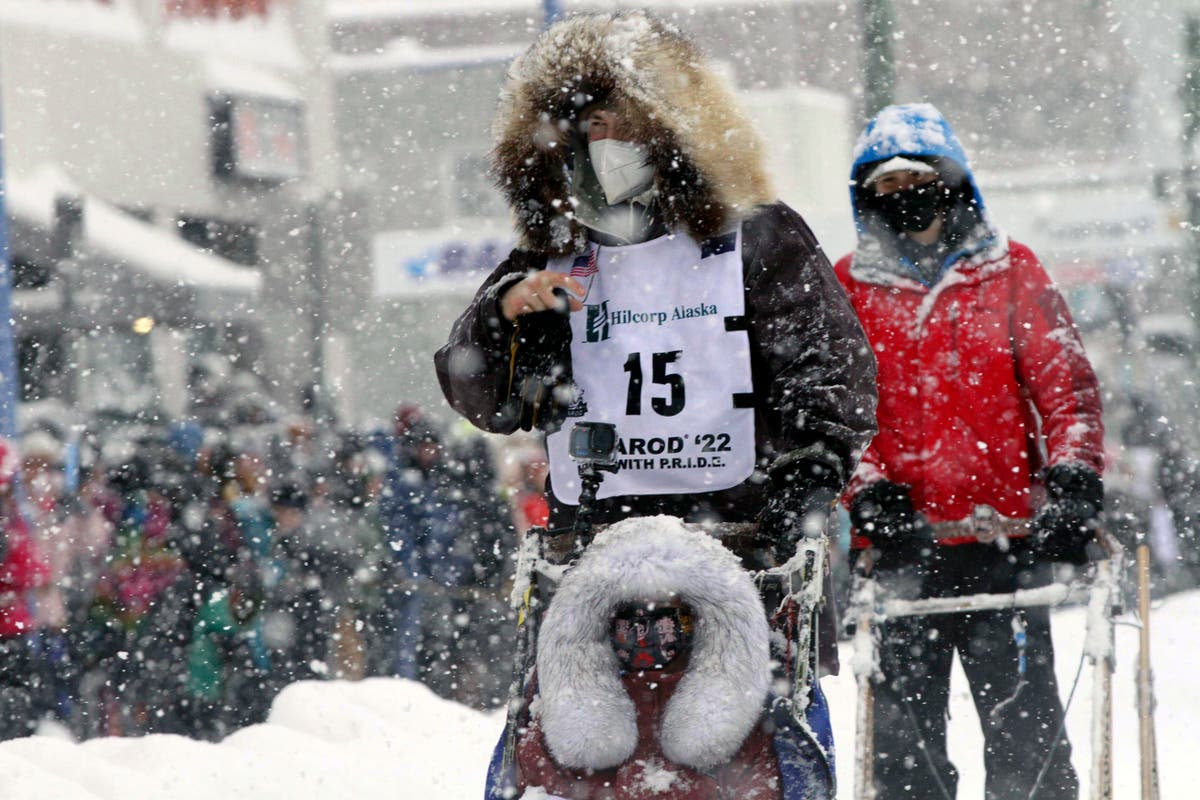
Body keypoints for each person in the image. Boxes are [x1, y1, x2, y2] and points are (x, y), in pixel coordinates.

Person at [437, 12, 875, 798]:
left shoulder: (759, 238)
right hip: (590, 545)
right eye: (575, 120)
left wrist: (808, 475)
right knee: (565, 755)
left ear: (667, 123)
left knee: (756, 756)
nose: (595, 138)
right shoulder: (546, 259)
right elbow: (482, 394)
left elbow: (828, 371)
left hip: (745, 535)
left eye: (611, 115)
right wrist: (507, 316)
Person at [833, 103, 1105, 800]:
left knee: (1028, 749)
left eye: (914, 178)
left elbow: (1065, 389)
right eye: (884, 187)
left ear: (953, 181)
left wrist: (1073, 480)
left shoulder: (1012, 272)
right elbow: (836, 412)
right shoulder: (849, 285)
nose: (902, 197)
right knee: (907, 763)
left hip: (1002, 544)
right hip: (900, 553)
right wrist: (866, 490)